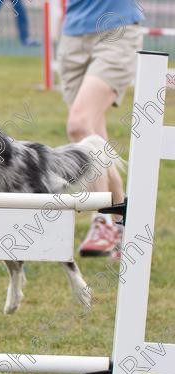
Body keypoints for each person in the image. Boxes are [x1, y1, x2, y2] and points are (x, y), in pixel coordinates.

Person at [57, 0, 144, 257]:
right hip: (72, 34)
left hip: (116, 28)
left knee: (79, 124)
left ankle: (103, 219)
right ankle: (123, 226)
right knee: (93, 132)